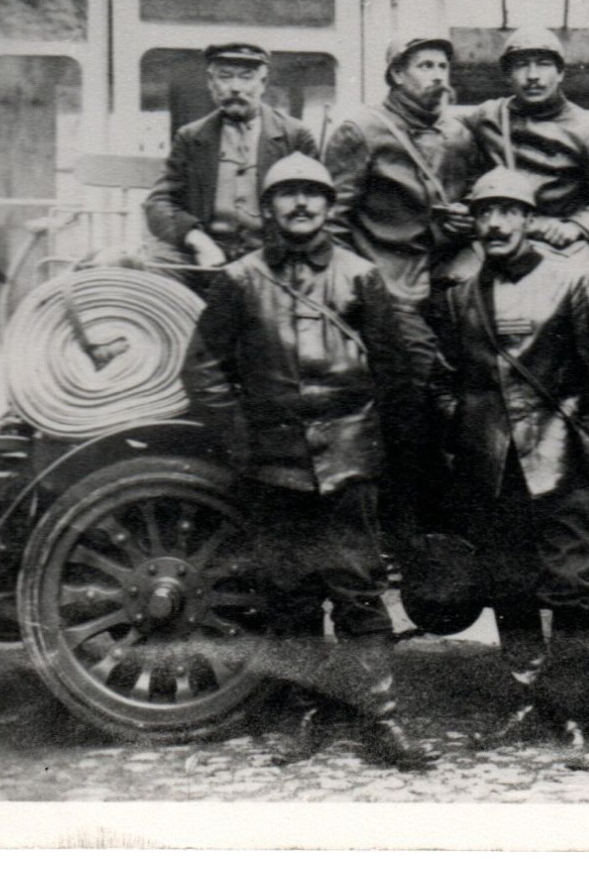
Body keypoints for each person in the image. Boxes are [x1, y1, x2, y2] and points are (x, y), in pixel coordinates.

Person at [180, 152, 438, 771]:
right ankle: (301, 713)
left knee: (359, 595)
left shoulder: (359, 276)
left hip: (349, 464)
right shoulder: (240, 280)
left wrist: (386, 460)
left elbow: (395, 372)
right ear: (267, 208)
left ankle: (382, 717)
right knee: (289, 596)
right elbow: (204, 369)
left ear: (329, 206)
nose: (300, 205)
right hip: (274, 466)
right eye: (287, 195)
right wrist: (241, 442)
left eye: (312, 195)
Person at [428, 167, 589, 746]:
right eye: (484, 212)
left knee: (571, 586)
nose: (494, 223)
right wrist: (463, 424)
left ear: (526, 218)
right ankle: (525, 697)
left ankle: (569, 706)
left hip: (560, 457)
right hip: (491, 466)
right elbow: (447, 379)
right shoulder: (461, 294)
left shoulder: (572, 282)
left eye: (507, 211)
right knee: (509, 585)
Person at [323, 35, 483, 307]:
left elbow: (476, 191)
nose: (437, 76)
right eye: (425, 66)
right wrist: (362, 284)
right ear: (397, 74)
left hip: (452, 280)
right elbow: (331, 221)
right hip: (388, 286)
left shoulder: (458, 133)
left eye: (442, 67)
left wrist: (468, 213)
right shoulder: (361, 131)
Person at [462, 28, 589, 271]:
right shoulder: (486, 118)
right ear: (508, 75)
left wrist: (578, 226)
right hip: (497, 236)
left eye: (543, 64)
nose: (533, 76)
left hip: (558, 243)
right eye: (521, 65)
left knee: (574, 284)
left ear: (561, 72)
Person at [145, 43, 319, 274]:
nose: (235, 87)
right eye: (225, 77)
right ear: (210, 83)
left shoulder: (295, 136)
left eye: (246, 78)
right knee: (158, 268)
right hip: (207, 256)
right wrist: (198, 241)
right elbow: (159, 203)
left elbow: (317, 205)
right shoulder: (191, 137)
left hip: (271, 257)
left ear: (263, 83)